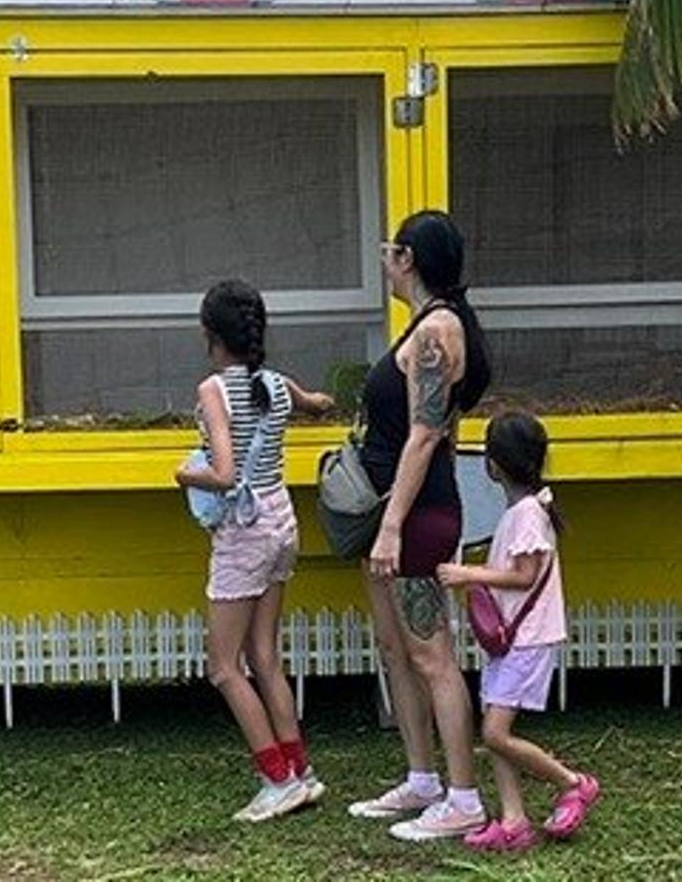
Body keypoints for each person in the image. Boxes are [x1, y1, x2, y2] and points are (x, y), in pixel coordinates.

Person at [345, 210, 493, 842]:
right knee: (395, 647)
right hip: (392, 512)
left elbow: (427, 434)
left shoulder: (437, 331)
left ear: (407, 259)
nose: (384, 261)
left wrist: (393, 526)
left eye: (389, 250)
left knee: (432, 656)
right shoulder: (424, 323)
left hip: (418, 515)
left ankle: (464, 797)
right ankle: (422, 778)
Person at [174, 279, 336, 823]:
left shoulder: (213, 390)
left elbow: (223, 474)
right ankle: (301, 771)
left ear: (210, 333)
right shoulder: (275, 383)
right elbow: (315, 403)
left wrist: (184, 474)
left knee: (224, 666)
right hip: (281, 520)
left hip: (244, 532)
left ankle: (276, 779)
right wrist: (320, 402)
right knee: (264, 655)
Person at [437, 411, 598, 852]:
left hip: (528, 638)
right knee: (495, 730)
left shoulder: (526, 513)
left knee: (494, 732)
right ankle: (513, 819)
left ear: (494, 464)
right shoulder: (524, 510)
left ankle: (573, 783)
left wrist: (469, 574)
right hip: (513, 638)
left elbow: (525, 576)